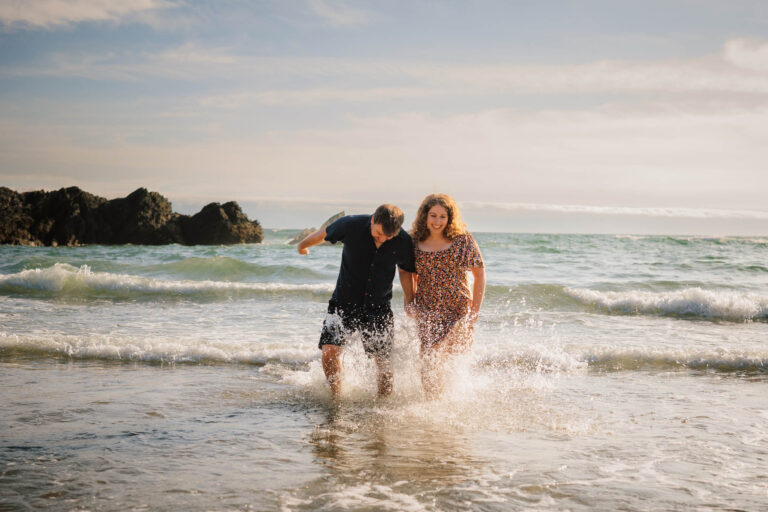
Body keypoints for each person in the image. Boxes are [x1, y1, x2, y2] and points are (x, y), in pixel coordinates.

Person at [298, 204, 416, 399]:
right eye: (379, 233)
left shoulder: (403, 241)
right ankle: (337, 397)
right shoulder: (351, 224)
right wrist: (302, 246)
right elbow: (323, 234)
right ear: (373, 220)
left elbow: (405, 270)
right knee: (329, 351)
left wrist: (409, 299)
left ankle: (382, 405)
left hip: (378, 307)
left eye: (388, 237)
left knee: (384, 362)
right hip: (344, 302)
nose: (382, 239)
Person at [409, 193, 485, 399]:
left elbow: (479, 274)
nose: (437, 221)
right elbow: (408, 272)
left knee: (444, 358)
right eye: (433, 215)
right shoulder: (415, 241)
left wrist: (474, 313)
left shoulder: (462, 239)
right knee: (428, 360)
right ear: (425, 216)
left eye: (443, 216)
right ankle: (432, 403)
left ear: (450, 218)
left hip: (457, 308)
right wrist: (410, 301)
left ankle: (445, 402)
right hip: (427, 308)